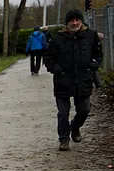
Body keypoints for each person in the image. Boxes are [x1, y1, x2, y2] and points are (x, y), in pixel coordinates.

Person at [44, 9, 103, 151]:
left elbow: (98, 54)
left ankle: (75, 126)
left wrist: (91, 67)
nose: (75, 23)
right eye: (72, 20)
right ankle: (64, 139)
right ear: (67, 22)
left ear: (81, 21)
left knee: (84, 109)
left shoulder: (91, 35)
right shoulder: (58, 39)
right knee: (63, 112)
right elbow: (48, 58)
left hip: (83, 79)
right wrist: (57, 70)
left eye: (77, 20)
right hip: (63, 80)